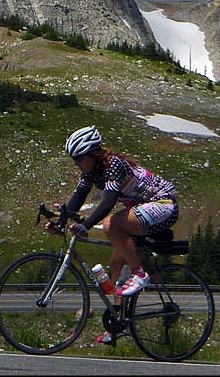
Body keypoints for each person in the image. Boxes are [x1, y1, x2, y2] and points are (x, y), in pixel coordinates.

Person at [46, 125, 180, 345]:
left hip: (164, 205)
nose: (77, 164)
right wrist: (60, 222)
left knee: (111, 225)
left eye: (80, 159)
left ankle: (140, 274)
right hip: (142, 212)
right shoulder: (91, 172)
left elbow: (108, 203)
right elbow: (77, 200)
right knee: (115, 266)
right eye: (74, 160)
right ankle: (117, 325)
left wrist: (86, 225)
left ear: (93, 154)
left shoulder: (113, 165)